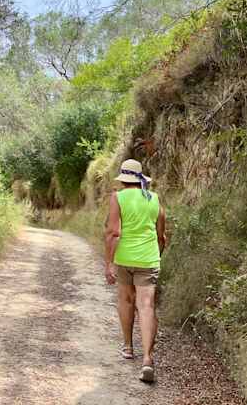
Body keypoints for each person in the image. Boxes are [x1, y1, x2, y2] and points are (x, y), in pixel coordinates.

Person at [104, 158, 166, 383]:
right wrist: (156, 256)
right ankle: (148, 359)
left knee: (126, 299)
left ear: (123, 179)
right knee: (146, 305)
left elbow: (113, 232)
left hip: (124, 257)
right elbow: (161, 236)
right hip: (148, 259)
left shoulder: (118, 197)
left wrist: (109, 262)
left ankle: (128, 347)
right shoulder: (154, 198)